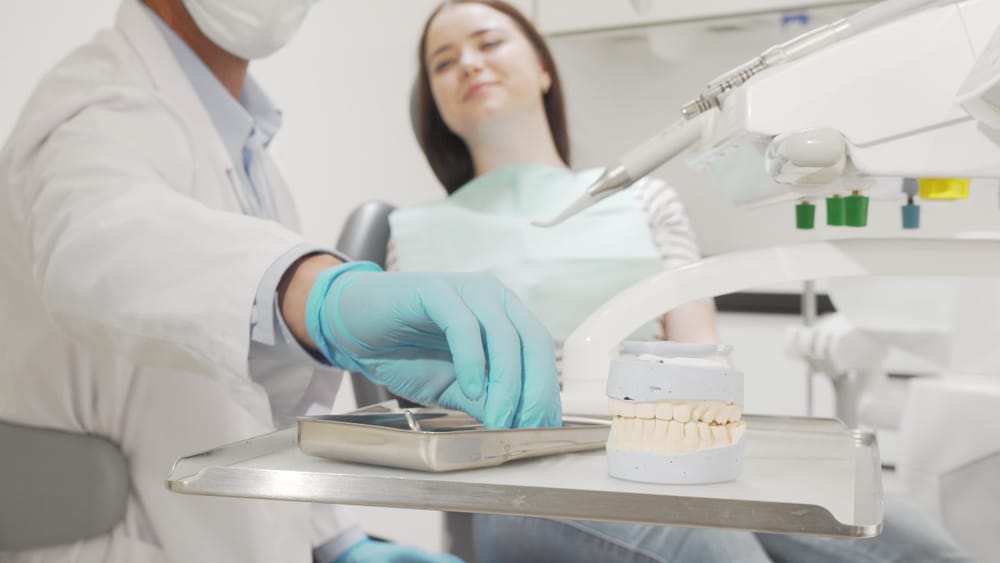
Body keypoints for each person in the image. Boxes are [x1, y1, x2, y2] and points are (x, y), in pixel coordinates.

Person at [388, 1, 977, 561]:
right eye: (443, 61)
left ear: (543, 67)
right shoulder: (410, 236)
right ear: (435, 102)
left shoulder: (644, 201)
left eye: (489, 42)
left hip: (668, 450)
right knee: (718, 551)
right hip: (516, 485)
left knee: (899, 533)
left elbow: (702, 366)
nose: (469, 63)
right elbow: (420, 398)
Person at [0, 0, 562, 562]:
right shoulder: (94, 105)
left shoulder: (245, 147)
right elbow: (102, 239)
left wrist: (339, 542)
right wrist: (317, 293)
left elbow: (254, 401)